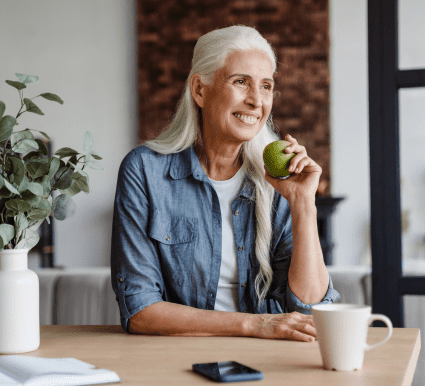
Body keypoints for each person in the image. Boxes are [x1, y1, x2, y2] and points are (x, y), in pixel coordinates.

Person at [111, 25, 340, 342]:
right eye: (241, 82)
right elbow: (140, 310)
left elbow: (313, 310)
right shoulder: (144, 171)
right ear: (200, 90)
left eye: (266, 86)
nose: (256, 101)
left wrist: (303, 204)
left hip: (270, 359)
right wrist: (254, 325)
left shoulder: (279, 180)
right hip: (177, 358)